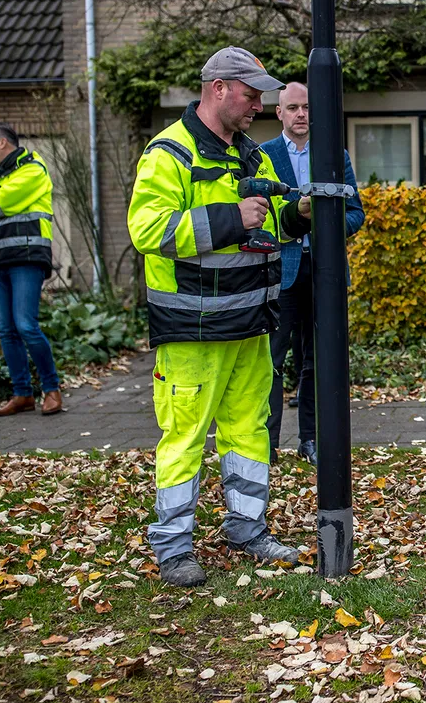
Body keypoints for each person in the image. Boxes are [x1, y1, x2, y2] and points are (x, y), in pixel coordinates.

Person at [127, 46, 314, 587]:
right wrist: (231, 217)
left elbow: (269, 220)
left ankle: (248, 528)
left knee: (249, 430)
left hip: (251, 321)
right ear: (218, 89)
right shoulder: (170, 153)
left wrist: (296, 215)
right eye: (251, 93)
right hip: (193, 327)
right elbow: (150, 231)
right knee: (184, 436)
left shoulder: (250, 155)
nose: (260, 102)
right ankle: (173, 547)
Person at [260, 82, 365, 466]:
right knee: (270, 359)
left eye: (306, 107)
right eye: (293, 108)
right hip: (280, 272)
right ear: (279, 113)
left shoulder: (334, 154)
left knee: (316, 361)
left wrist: (321, 224)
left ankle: (310, 439)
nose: (301, 114)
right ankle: (266, 445)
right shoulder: (263, 155)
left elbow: (356, 213)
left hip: (324, 272)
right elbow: (260, 216)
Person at [0, 122, 63, 417]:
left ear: (3, 143)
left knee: (25, 326)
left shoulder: (33, 170)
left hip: (26, 257)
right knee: (6, 330)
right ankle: (22, 395)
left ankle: (52, 389)